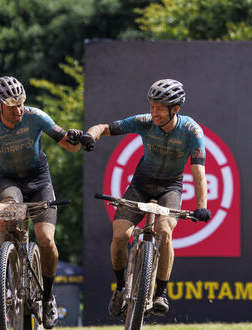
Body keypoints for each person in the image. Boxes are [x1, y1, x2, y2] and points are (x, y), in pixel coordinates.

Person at [78, 79, 212, 317]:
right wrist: (91, 136)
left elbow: (198, 171)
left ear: (175, 109)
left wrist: (202, 207)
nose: (154, 112)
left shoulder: (192, 131)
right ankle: (120, 288)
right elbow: (104, 127)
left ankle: (160, 293)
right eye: (152, 106)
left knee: (164, 232)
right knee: (120, 235)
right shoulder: (145, 122)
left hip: (170, 187)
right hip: (141, 184)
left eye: (159, 108)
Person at [0, 76, 82, 329]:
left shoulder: (36, 116)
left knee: (46, 240)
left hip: (40, 181)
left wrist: (77, 138)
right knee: (7, 215)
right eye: (12, 105)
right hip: (11, 181)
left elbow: (68, 145)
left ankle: (47, 298)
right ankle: (2, 280)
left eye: (21, 103)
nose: (19, 110)